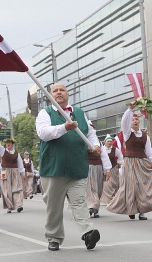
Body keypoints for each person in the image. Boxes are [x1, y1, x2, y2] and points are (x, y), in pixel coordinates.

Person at [36, 83, 101, 251]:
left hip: (77, 167)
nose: (59, 93)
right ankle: (54, 238)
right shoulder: (45, 113)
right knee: (54, 206)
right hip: (53, 168)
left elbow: (90, 133)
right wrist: (65, 127)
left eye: (62, 90)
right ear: (49, 95)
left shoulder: (79, 113)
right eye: (55, 91)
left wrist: (95, 145)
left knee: (79, 202)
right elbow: (44, 133)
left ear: (68, 94)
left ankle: (88, 233)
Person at [107, 103, 152, 220]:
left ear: (139, 122)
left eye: (137, 119)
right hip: (130, 162)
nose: (135, 121)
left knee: (143, 187)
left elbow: (149, 150)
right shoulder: (127, 133)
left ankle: (142, 211)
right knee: (131, 187)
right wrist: (130, 109)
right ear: (130, 123)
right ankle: (131, 209)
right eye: (133, 120)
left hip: (142, 163)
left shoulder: (145, 136)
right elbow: (124, 121)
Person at [0, 136, 25, 214]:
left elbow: (20, 164)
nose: (8, 144)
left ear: (12, 144)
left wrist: (22, 173)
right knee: (6, 189)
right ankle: (9, 206)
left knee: (16, 188)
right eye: (7, 143)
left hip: (15, 172)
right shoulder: (3, 151)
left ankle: (18, 205)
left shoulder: (17, 153)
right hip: (5, 171)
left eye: (9, 143)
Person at [86, 133, 112, 218]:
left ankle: (96, 209)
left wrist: (107, 170)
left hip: (99, 167)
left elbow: (104, 156)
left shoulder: (100, 144)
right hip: (88, 167)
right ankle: (91, 206)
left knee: (99, 189)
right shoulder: (84, 141)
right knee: (90, 188)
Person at [100, 134, 124, 205]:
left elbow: (120, 156)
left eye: (111, 141)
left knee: (115, 184)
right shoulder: (102, 149)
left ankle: (115, 198)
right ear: (105, 142)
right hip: (105, 169)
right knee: (107, 184)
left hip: (113, 168)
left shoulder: (115, 149)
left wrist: (120, 163)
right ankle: (108, 199)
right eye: (108, 141)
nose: (109, 143)